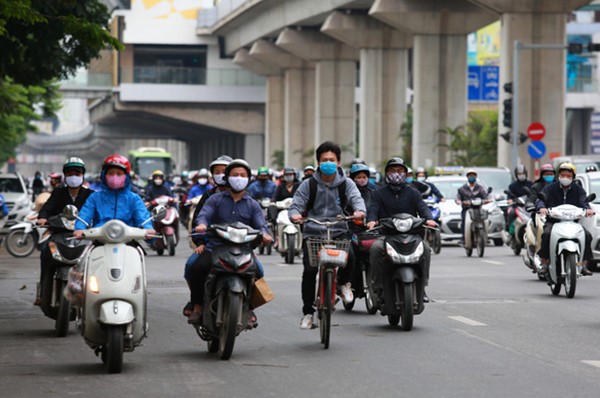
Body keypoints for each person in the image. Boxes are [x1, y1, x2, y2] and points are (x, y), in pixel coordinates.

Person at [289, 141, 366, 330]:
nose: (328, 163)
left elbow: (357, 201)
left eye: (332, 160)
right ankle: (308, 313)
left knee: (352, 255)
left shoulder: (347, 184)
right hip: (314, 232)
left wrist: (359, 212)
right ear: (318, 163)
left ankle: (344, 284)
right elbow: (296, 205)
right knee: (309, 272)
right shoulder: (309, 185)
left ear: (338, 162)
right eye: (324, 160)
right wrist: (295, 215)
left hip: (338, 229)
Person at [188, 159, 272, 324]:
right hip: (214, 248)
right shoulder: (215, 199)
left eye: (243, 175)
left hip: (243, 249)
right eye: (235, 175)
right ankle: (198, 306)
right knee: (198, 268)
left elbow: (261, 224)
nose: (239, 178)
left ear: (248, 179)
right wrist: (202, 224)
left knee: (259, 272)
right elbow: (204, 214)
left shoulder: (253, 204)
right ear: (227, 178)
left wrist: (265, 234)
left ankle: (249, 308)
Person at [366, 157, 436, 305]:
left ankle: (422, 287)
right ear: (386, 173)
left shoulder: (413, 192)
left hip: (411, 235)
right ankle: (379, 288)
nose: (396, 174)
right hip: (386, 235)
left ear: (405, 173)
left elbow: (422, 208)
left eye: (400, 171)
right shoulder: (379, 193)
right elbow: (373, 209)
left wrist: (429, 219)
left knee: (426, 249)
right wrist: (371, 220)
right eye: (392, 171)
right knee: (375, 248)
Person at [35, 157, 94, 305]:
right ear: (65, 175)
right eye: (69, 172)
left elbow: (98, 212)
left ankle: (97, 293)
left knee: (97, 258)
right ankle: (43, 292)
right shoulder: (58, 193)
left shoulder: (90, 195)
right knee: (45, 253)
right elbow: (47, 208)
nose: (73, 176)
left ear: (83, 175)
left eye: (77, 172)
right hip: (59, 234)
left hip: (84, 235)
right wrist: (43, 218)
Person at [182, 155, 232, 317]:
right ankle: (197, 302)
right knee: (193, 266)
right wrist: (200, 241)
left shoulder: (246, 196)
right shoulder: (209, 197)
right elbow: (198, 220)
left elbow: (258, 222)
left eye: (224, 171)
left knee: (257, 270)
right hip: (211, 245)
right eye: (217, 172)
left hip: (238, 245)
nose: (220, 175)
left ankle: (249, 306)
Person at [73, 155, 155, 239]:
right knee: (87, 252)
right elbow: (85, 214)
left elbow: (143, 217)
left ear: (126, 177)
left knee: (141, 252)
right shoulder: (95, 198)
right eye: (111, 173)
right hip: (100, 241)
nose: (114, 177)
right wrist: (79, 228)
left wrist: (148, 229)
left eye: (119, 173)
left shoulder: (134, 199)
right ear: (104, 176)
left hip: (128, 241)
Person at [536, 163, 594, 276]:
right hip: (553, 221)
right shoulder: (550, 188)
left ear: (573, 177)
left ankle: (583, 264)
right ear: (559, 176)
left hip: (573, 222)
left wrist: (588, 210)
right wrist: (542, 207)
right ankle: (544, 263)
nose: (565, 178)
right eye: (563, 175)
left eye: (568, 175)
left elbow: (584, 202)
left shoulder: (578, 190)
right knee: (546, 233)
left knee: (587, 235)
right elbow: (541, 199)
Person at [455, 169, 490, 244]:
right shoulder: (462, 188)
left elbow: (485, 196)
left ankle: (485, 237)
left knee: (485, 219)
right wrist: (458, 201)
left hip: (478, 209)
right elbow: (458, 197)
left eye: (473, 175)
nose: (472, 177)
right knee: (464, 220)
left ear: (476, 177)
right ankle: (463, 238)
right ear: (467, 177)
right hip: (467, 209)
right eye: (470, 175)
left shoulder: (480, 188)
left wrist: (488, 199)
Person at [506, 164, 534, 236]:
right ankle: (509, 231)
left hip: (528, 206)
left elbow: (534, 194)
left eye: (523, 173)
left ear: (526, 174)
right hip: (517, 206)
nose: (521, 175)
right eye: (519, 174)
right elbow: (509, 196)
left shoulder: (531, 184)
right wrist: (510, 200)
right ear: (516, 175)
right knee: (511, 212)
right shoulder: (512, 186)